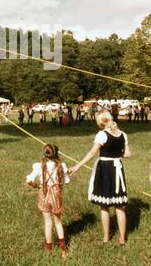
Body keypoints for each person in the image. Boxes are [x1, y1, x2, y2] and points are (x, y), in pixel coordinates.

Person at [69, 110, 131, 245]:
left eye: (97, 120)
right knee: (120, 206)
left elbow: (92, 153)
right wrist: (116, 153)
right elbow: (127, 154)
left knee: (104, 206)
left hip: (104, 169)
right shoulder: (123, 135)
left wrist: (77, 166)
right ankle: (122, 239)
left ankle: (105, 237)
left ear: (102, 121)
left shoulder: (102, 134)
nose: (96, 122)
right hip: (117, 169)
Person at [26, 144, 69, 257]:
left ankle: (49, 249)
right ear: (56, 153)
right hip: (56, 194)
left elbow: (29, 180)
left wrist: (36, 186)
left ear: (45, 153)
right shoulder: (61, 165)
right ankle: (63, 251)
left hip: (44, 193)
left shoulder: (39, 166)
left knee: (48, 223)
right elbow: (67, 181)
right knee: (58, 222)